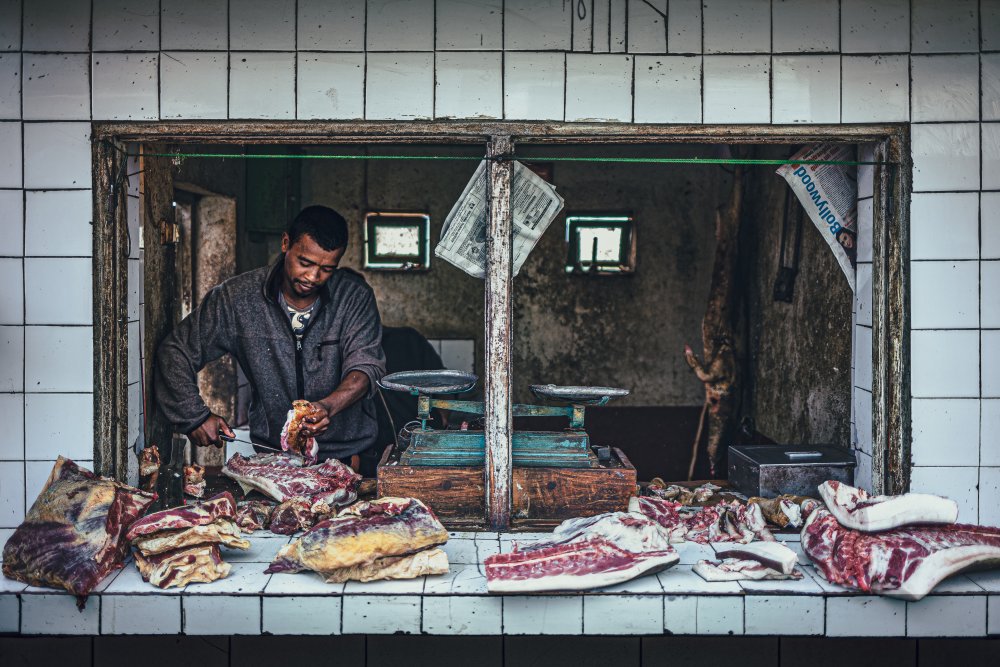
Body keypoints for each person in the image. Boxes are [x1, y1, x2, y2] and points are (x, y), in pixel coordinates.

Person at [154, 205, 386, 471]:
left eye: (327, 269)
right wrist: (194, 416)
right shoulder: (237, 298)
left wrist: (327, 407)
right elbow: (175, 352)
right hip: (275, 462)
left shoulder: (354, 297)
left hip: (348, 460)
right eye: (305, 263)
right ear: (286, 243)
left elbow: (367, 368)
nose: (313, 277)